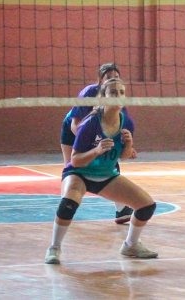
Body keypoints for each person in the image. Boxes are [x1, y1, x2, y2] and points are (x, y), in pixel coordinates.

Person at [45, 77, 158, 265]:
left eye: (121, 93)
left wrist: (129, 144)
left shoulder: (126, 123)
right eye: (113, 92)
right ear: (103, 98)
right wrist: (96, 150)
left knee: (146, 205)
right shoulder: (90, 124)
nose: (118, 96)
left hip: (106, 175)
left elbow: (124, 155)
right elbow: (75, 159)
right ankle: (54, 247)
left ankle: (130, 245)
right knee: (68, 203)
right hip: (79, 173)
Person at [59, 62, 133, 224]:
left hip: (97, 131)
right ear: (100, 80)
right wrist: (90, 142)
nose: (112, 80)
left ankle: (122, 210)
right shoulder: (88, 93)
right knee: (72, 168)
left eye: (116, 77)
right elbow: (75, 124)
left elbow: (122, 124)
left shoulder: (117, 95)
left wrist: (128, 145)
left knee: (110, 163)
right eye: (108, 77)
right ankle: (65, 208)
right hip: (75, 130)